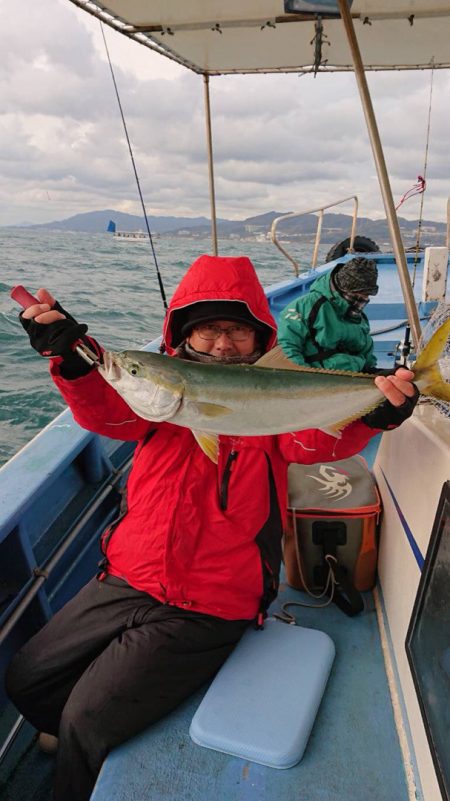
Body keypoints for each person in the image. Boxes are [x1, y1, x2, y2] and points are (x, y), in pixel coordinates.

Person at [5, 254, 418, 801]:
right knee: (27, 678)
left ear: (259, 337)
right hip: (131, 574)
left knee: (89, 720)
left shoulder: (270, 396)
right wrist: (74, 359)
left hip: (213, 600)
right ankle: (61, 724)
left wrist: (371, 414)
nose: (223, 344)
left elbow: (312, 440)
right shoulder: (157, 395)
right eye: (208, 329)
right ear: (184, 334)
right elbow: (110, 405)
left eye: (237, 331)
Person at [278, 256, 379, 371]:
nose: (363, 299)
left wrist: (371, 370)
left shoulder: (356, 313)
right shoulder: (304, 307)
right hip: (317, 376)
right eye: (359, 293)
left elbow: (365, 348)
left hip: (354, 373)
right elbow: (287, 348)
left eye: (367, 294)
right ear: (344, 288)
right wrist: (306, 376)